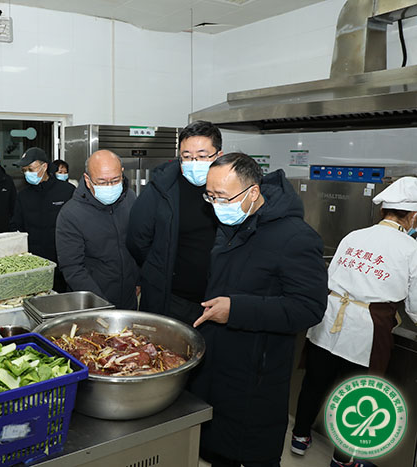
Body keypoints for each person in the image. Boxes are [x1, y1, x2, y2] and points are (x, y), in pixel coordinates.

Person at [189, 152, 328, 467]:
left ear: (253, 192)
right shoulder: (233, 223)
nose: (215, 204)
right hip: (218, 362)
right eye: (209, 196)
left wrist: (236, 309)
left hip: (256, 373)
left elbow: (309, 307)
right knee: (217, 449)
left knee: (251, 451)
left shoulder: (295, 237)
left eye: (222, 197)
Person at [291, 177, 417, 467]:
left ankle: (299, 437)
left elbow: (330, 276)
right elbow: (414, 305)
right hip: (366, 330)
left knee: (315, 381)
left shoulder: (355, 235)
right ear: (413, 216)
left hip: (328, 321)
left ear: (384, 211)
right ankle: (343, 458)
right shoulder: (411, 249)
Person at [127, 121, 222, 324]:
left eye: (202, 156)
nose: (194, 162)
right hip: (173, 298)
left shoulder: (231, 188)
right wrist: (160, 266)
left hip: (218, 298)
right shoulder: (161, 189)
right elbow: (137, 239)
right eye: (187, 156)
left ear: (218, 155)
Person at [55, 150, 139, 309]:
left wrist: (138, 279)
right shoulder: (71, 214)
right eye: (102, 182)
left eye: (115, 180)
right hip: (91, 303)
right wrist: (100, 304)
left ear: (122, 173)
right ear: (88, 180)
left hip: (128, 297)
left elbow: (138, 244)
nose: (110, 186)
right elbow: (72, 268)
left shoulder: (130, 199)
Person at [10, 147, 75, 292]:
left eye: (30, 169)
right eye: (24, 170)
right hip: (34, 264)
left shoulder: (67, 191)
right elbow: (16, 226)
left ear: (44, 166)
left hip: (63, 264)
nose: (27, 173)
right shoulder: (23, 196)